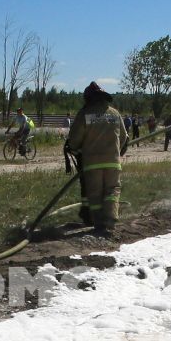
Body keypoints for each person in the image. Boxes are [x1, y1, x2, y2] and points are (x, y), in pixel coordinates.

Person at [64, 82, 130, 235]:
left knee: (95, 193)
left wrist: (74, 149)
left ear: (88, 98)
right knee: (112, 190)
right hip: (113, 162)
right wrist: (115, 152)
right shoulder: (114, 113)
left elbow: (74, 140)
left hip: (92, 163)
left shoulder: (84, 114)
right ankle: (111, 220)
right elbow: (124, 136)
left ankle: (99, 224)